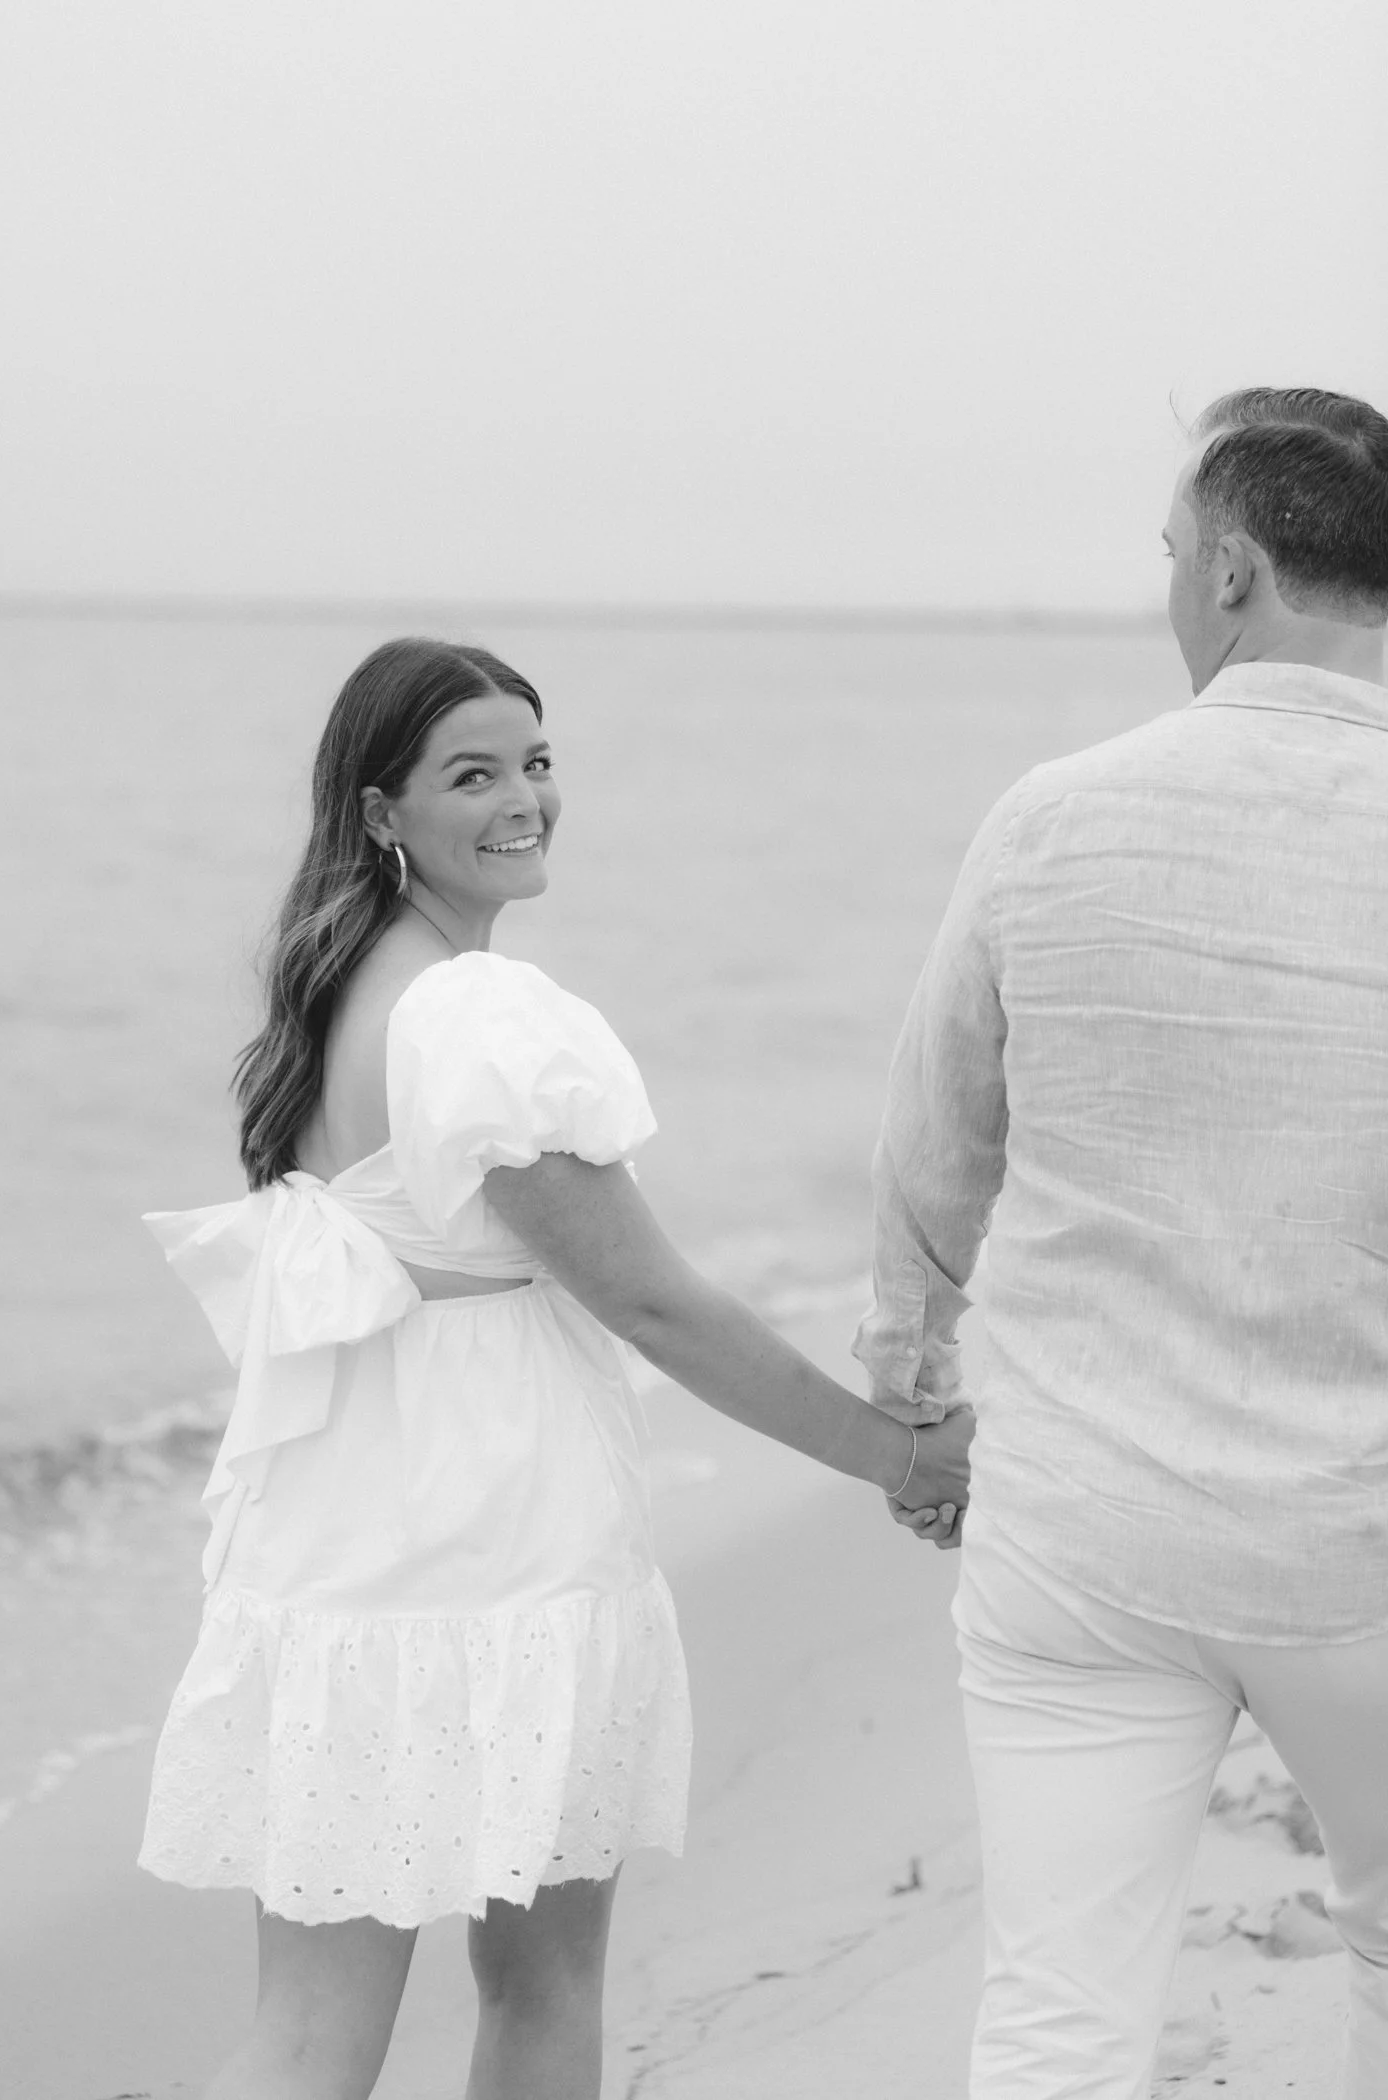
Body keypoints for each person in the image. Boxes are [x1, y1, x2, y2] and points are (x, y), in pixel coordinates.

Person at [139, 637, 972, 2100]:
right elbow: (651, 1302)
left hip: (342, 1538)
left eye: (535, 762)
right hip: (501, 1537)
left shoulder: (344, 984)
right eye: (472, 774)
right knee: (540, 1985)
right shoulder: (476, 1015)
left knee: (308, 2031)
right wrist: (894, 1453)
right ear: (382, 810)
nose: (523, 799)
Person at [857, 387, 1388, 2099]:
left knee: (1058, 2014)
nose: (1168, 591)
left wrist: (914, 1401)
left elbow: (934, 1155)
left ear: (1234, 569)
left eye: (1171, 555)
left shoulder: (1053, 814)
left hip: (1086, 1529)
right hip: (1358, 1529)